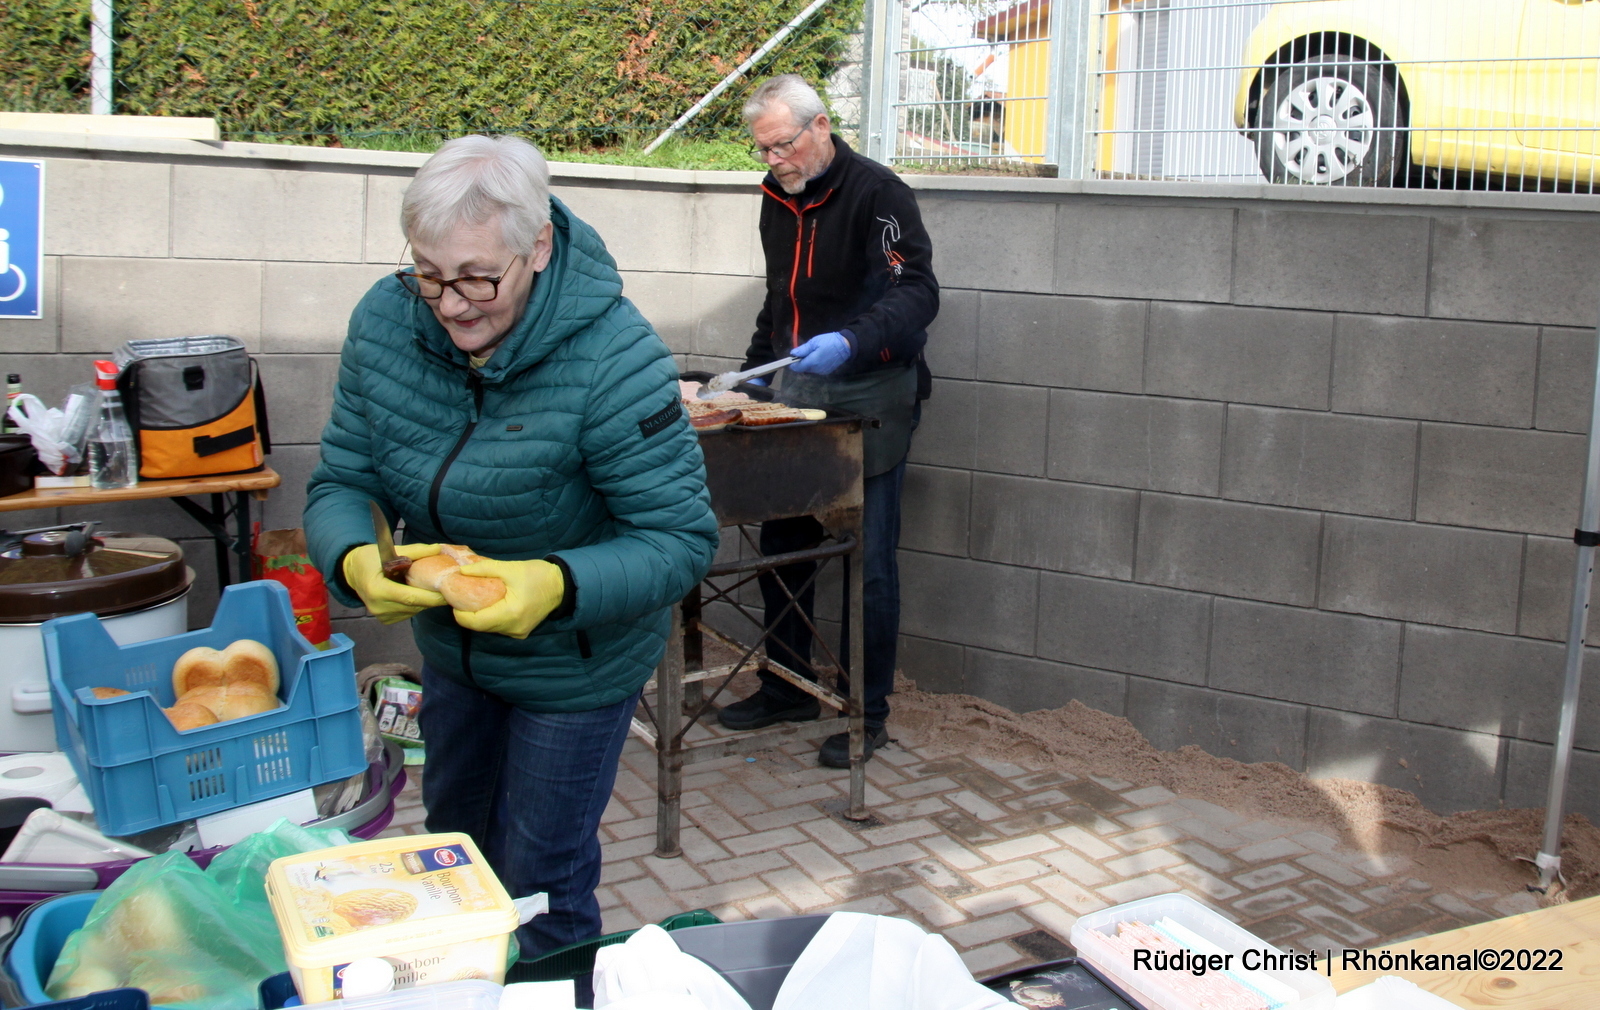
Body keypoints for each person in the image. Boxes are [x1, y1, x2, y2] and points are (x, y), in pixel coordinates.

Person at [303, 134, 717, 957]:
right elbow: (342, 479)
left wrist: (552, 587)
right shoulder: (387, 322)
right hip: (456, 653)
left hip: (576, 663)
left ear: (538, 245)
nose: (452, 304)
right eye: (429, 274)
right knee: (453, 851)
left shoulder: (615, 358)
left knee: (539, 878)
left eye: (477, 278)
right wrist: (352, 556)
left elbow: (678, 539)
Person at [717, 75, 939, 767]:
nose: (775, 159)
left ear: (820, 127)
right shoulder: (776, 201)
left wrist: (853, 339)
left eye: (783, 144)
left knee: (871, 563)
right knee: (782, 544)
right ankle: (788, 687)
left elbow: (918, 291)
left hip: (871, 396)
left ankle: (868, 715)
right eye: (763, 149)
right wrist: (750, 378)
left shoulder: (879, 194)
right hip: (798, 394)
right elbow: (778, 301)